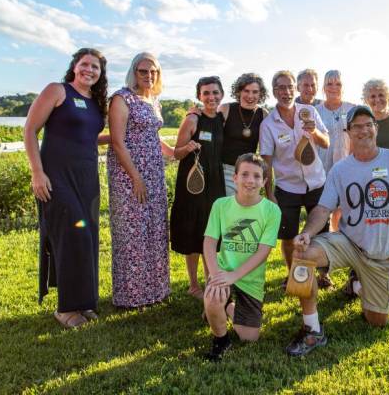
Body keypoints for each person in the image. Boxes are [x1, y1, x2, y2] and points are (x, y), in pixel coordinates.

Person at [284, 106, 389, 356]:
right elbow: (323, 209)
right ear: (348, 132)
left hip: (382, 256)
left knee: (377, 321)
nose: (363, 130)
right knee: (304, 255)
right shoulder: (340, 169)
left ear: (375, 129)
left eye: (368, 125)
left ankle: (358, 285)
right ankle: (313, 330)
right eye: (356, 126)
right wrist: (307, 233)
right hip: (348, 243)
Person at [24, 48, 109, 328]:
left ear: (100, 73)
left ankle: (83, 302)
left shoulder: (96, 103)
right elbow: (29, 130)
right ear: (74, 67)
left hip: (86, 179)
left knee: (88, 238)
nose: (90, 70)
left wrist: (127, 136)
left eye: (95, 67)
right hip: (56, 178)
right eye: (85, 64)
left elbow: (86, 138)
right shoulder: (57, 91)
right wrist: (37, 173)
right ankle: (65, 309)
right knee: (73, 235)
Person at [107, 52, 175, 308]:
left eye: (153, 71)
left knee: (155, 231)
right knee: (132, 233)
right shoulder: (121, 98)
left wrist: (176, 152)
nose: (149, 76)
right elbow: (117, 142)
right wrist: (136, 178)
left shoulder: (153, 100)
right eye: (143, 71)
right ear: (133, 72)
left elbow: (153, 137)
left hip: (155, 174)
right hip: (129, 176)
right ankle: (131, 296)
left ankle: (155, 291)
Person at [202, 153, 281, 361]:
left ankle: (226, 307)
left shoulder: (272, 210)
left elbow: (263, 252)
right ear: (234, 178)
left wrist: (235, 276)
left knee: (249, 337)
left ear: (264, 181)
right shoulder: (221, 205)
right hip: (224, 271)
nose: (250, 181)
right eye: (244, 174)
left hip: (249, 278)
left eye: (256, 176)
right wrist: (216, 274)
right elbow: (209, 242)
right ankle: (221, 339)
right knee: (212, 296)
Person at [259, 70, 330, 287]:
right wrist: (270, 194)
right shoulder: (268, 124)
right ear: (274, 92)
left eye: (290, 86)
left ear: (295, 88)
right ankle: (292, 274)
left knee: (321, 232)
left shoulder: (309, 111)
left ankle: (323, 275)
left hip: (316, 182)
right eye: (281, 87)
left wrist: (315, 132)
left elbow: (326, 142)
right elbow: (267, 163)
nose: (286, 91)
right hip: (287, 187)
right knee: (288, 236)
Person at [170, 76, 226, 299]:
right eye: (206, 93)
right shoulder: (193, 119)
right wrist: (188, 147)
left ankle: (210, 279)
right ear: (199, 96)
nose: (211, 97)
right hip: (193, 182)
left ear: (221, 95)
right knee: (193, 230)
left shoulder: (222, 118)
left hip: (215, 180)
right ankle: (194, 285)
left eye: (215, 92)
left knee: (210, 230)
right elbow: (176, 152)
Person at [315, 70, 355, 237]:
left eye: (337, 84)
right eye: (329, 84)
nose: (333, 87)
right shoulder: (316, 110)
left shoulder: (352, 109)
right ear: (324, 87)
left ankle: (340, 244)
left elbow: (357, 137)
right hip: (322, 168)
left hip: (347, 166)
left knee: (343, 210)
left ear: (343, 87)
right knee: (324, 208)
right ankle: (325, 247)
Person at [220, 73, 268, 195]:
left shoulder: (264, 114)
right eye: (246, 91)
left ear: (260, 94)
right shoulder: (226, 109)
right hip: (226, 171)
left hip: (250, 172)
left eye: (255, 92)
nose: (250, 96)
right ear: (239, 91)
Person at [363, 79, 389, 151]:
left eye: (381, 95)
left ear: (388, 97)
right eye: (373, 96)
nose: (377, 100)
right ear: (366, 100)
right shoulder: (364, 122)